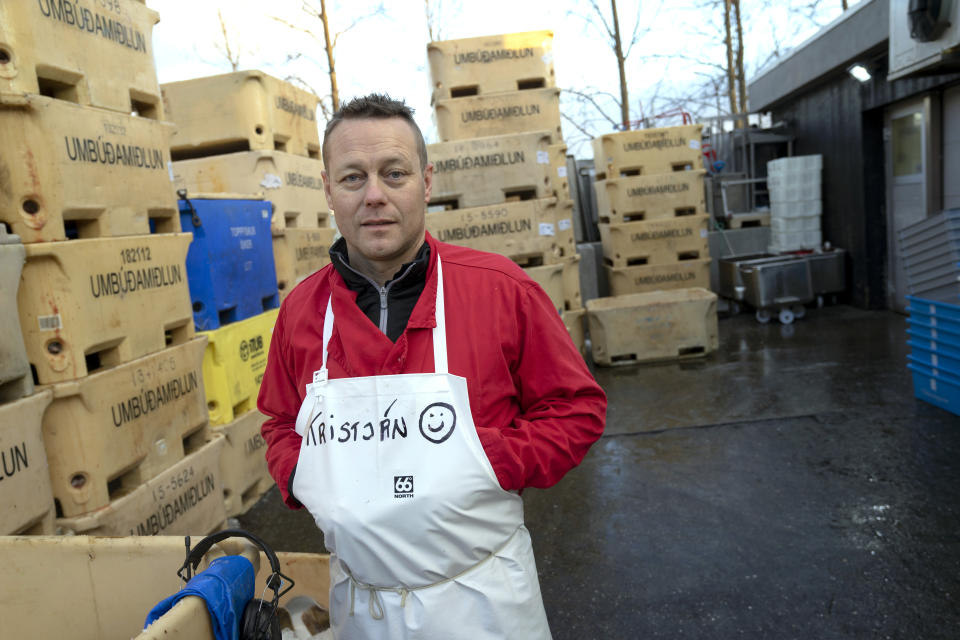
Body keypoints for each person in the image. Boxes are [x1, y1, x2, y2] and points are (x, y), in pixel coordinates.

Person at [257, 93, 607, 639]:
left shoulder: (499, 290)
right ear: (327, 189)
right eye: (353, 178)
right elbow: (279, 421)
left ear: (426, 181)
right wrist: (303, 475)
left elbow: (577, 410)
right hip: (361, 607)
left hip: (483, 600)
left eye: (393, 173)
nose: (374, 195)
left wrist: (488, 459)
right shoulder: (302, 312)